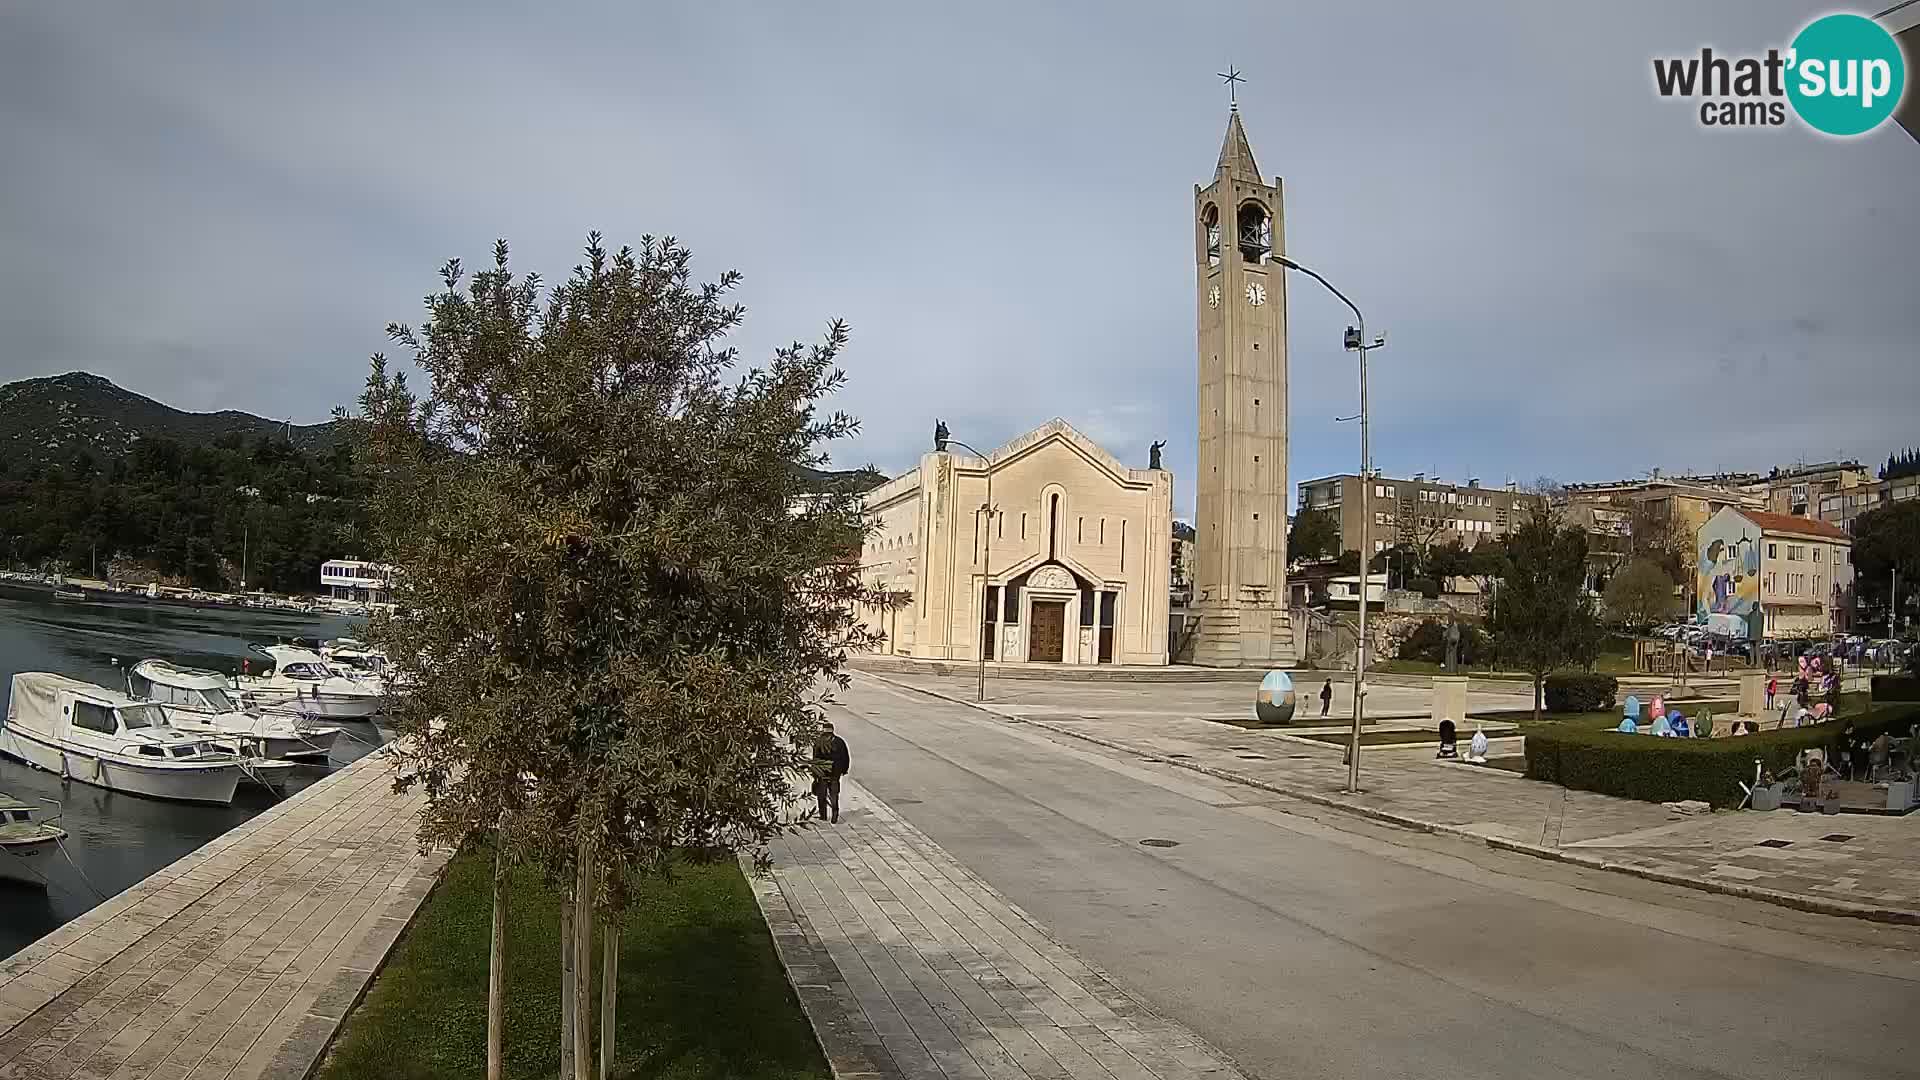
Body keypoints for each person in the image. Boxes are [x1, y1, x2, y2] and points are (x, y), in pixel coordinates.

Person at [811, 722, 851, 824]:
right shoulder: (840, 742)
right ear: (832, 730)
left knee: (822, 795)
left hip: (822, 773)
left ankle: (823, 815)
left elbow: (815, 759)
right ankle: (834, 815)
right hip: (835, 773)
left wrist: (815, 773)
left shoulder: (818, 741)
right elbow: (845, 758)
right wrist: (844, 770)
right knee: (834, 795)